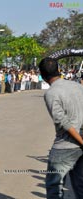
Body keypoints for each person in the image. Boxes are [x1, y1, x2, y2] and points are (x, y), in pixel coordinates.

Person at [39, 57, 83, 199]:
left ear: (42, 75)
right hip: (80, 143)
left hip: (65, 146)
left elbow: (63, 123)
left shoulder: (51, 93)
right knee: (80, 184)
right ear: (59, 70)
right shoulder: (77, 86)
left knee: (54, 186)